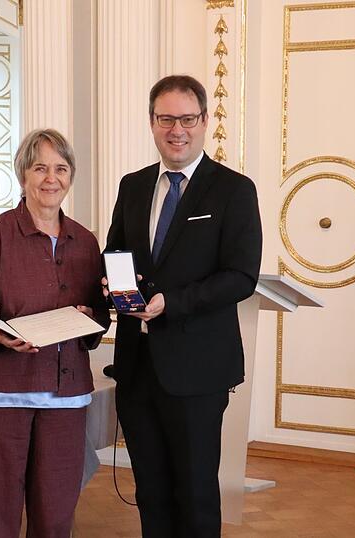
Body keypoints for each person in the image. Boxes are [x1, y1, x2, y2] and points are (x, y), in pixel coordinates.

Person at [104, 75, 263, 537]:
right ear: (152, 123)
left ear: (205, 121)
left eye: (187, 119)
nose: (177, 130)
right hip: (136, 367)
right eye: (166, 119)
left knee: (194, 492)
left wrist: (170, 303)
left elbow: (240, 276)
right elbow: (116, 252)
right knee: (150, 491)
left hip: (197, 369)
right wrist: (114, 284)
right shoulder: (132, 186)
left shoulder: (233, 190)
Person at [0, 129, 110, 537]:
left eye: (60, 168)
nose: (50, 178)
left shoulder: (86, 243)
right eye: (40, 167)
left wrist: (89, 315)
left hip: (64, 395)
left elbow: (100, 316)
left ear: (70, 176)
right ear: (23, 174)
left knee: (56, 515)